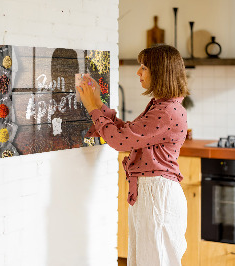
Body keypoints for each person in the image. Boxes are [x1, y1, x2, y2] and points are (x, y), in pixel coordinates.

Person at [76, 44, 189, 266]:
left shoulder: (166, 111)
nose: (138, 72)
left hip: (157, 195)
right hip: (151, 193)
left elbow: (120, 141)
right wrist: (98, 104)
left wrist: (92, 108)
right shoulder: (162, 106)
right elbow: (128, 133)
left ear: (160, 71)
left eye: (144, 67)